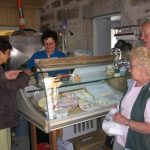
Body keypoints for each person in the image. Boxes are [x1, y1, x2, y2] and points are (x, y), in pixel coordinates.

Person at [112, 47, 150, 150]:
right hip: (120, 139)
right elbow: (131, 105)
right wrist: (119, 108)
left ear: (144, 68)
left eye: (131, 66)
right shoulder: (132, 83)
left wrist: (126, 122)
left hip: (135, 145)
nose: (129, 69)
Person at [0, 37, 31, 150]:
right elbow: (11, 86)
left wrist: (6, 75)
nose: (9, 56)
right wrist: (26, 75)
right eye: (7, 53)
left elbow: (4, 82)